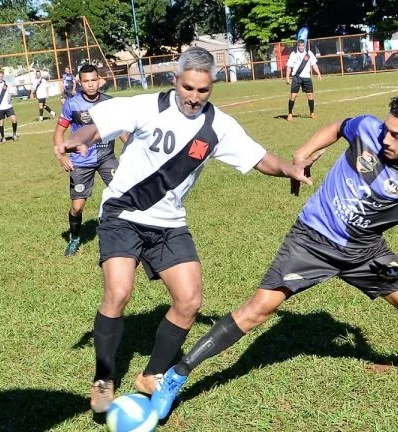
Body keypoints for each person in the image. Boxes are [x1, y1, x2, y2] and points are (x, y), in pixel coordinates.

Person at [151, 92, 398, 420]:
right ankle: (177, 375)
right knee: (257, 310)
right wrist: (303, 153)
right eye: (386, 130)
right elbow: (338, 127)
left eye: (396, 135)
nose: (386, 138)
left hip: (365, 252)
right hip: (311, 241)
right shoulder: (367, 128)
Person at [55, 46, 317, 414]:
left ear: (212, 87)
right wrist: (81, 137)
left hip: (169, 222)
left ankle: (151, 375)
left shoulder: (218, 127)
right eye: (188, 88)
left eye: (202, 91)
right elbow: (98, 124)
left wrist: (289, 170)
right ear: (175, 80)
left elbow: (259, 158)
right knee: (118, 292)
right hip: (123, 213)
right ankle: (104, 376)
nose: (194, 97)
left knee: (190, 301)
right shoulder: (145, 106)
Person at [53, 64, 127, 256]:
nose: (91, 85)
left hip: (106, 158)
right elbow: (59, 131)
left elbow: (122, 132)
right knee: (77, 207)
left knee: (125, 194)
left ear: (99, 80)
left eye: (94, 80)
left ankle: (127, 234)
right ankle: (75, 237)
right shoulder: (72, 104)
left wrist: (133, 150)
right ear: (80, 82)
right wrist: (61, 155)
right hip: (81, 161)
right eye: (86, 81)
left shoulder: (110, 102)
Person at [286, 39, 322, 121]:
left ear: (304, 46)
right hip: (296, 77)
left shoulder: (309, 53)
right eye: (300, 46)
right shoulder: (294, 54)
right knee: (293, 96)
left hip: (307, 78)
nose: (301, 47)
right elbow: (289, 66)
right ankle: (290, 114)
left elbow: (314, 64)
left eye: (303, 45)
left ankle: (312, 113)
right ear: (297, 46)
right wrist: (287, 77)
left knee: (310, 95)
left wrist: (319, 73)